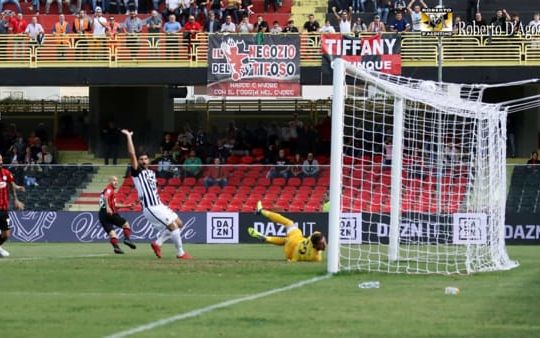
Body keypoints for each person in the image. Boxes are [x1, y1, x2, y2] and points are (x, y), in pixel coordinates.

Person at [121, 129, 192, 260]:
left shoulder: (152, 173)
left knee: (179, 223)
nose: (143, 161)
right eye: (140, 159)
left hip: (159, 204)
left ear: (149, 160)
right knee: (173, 227)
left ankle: (157, 243)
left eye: (145, 159)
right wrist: (129, 137)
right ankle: (180, 253)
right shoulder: (137, 172)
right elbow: (131, 154)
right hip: (151, 207)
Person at [248, 201, 327, 262]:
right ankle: (266, 238)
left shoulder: (314, 237)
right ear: (315, 245)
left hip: (295, 239)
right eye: (322, 243)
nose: (324, 244)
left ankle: (261, 211)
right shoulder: (315, 257)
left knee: (288, 223)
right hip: (290, 252)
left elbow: (316, 234)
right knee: (285, 240)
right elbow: (298, 259)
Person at [98, 176, 137, 254]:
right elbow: (106, 197)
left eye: (117, 180)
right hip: (109, 212)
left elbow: (114, 204)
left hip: (102, 214)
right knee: (126, 224)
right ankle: (127, 239)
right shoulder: (109, 189)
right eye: (114, 180)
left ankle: (116, 248)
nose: (116, 182)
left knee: (112, 233)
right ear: (109, 181)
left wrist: (127, 206)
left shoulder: (107, 190)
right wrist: (108, 208)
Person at [0, 154, 25, 257]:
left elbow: (11, 184)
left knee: (6, 234)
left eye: (1, 159)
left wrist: (16, 199)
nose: (0, 162)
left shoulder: (6, 173)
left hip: (3, 209)